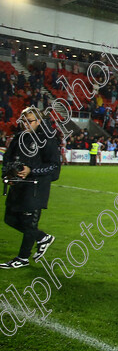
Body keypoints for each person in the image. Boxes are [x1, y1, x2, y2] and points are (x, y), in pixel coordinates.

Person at [0, 107, 61, 269]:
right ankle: (42, 238)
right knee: (10, 219)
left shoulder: (47, 139)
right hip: (18, 187)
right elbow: (7, 158)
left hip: (36, 188)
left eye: (30, 121)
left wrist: (31, 171)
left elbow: (54, 167)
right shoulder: (19, 137)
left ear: (39, 121)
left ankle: (22, 258)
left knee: (29, 224)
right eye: (24, 121)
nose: (25, 124)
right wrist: (7, 175)